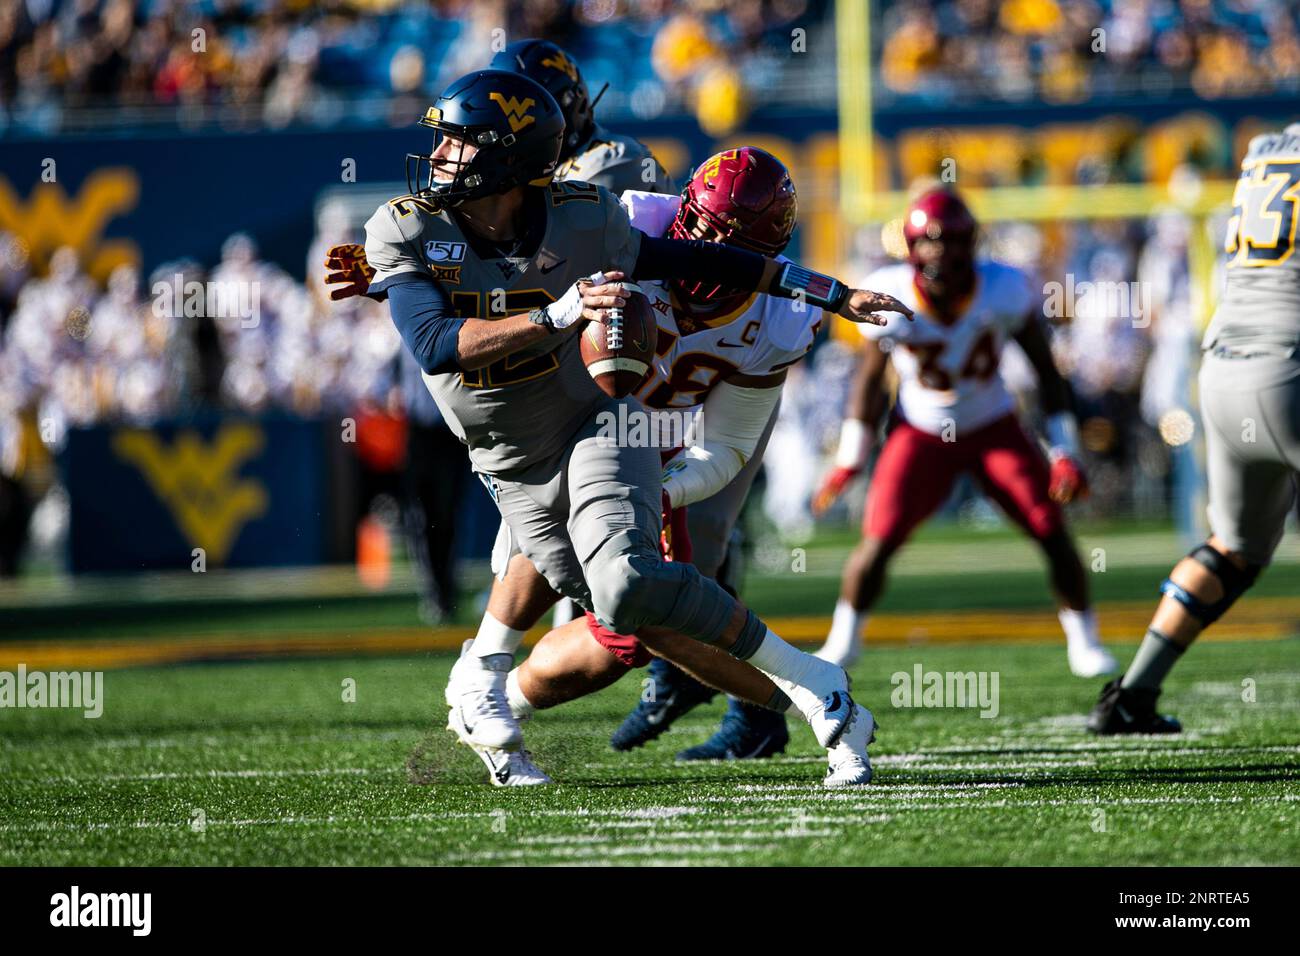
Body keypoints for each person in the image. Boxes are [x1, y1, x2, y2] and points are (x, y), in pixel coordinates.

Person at [329, 70, 912, 786]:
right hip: (525, 438)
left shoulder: (614, 233)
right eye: (691, 220)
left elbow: (726, 435)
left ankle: (788, 693)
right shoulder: (617, 215)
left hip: (641, 434)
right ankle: (801, 692)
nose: (443, 153)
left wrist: (829, 290)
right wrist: (390, 271)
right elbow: (433, 335)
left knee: (635, 600)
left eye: (460, 142)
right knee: (621, 599)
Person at [446, 147, 814, 775]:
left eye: (726, 242)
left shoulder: (780, 314)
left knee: (630, 630)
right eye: (697, 227)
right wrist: (392, 270)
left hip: (663, 448)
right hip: (566, 422)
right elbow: (499, 254)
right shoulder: (632, 223)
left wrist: (660, 492)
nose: (703, 247)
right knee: (553, 532)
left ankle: (495, 698)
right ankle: (483, 673)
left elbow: (725, 448)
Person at [812, 187, 1116, 679]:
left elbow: (1046, 372)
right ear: (911, 247)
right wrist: (850, 457)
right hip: (921, 430)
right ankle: (842, 642)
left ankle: (1085, 640)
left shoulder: (1004, 286)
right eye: (932, 241)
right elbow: (870, 383)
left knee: (1051, 529)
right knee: (879, 539)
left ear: (972, 243)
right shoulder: (889, 289)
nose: (942, 252)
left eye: (952, 240)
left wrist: (1065, 450)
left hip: (992, 425)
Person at [1088, 124, 1300, 734]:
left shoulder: (1266, 151)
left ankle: (1132, 694)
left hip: (1226, 373)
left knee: (1234, 548)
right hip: (1289, 368)